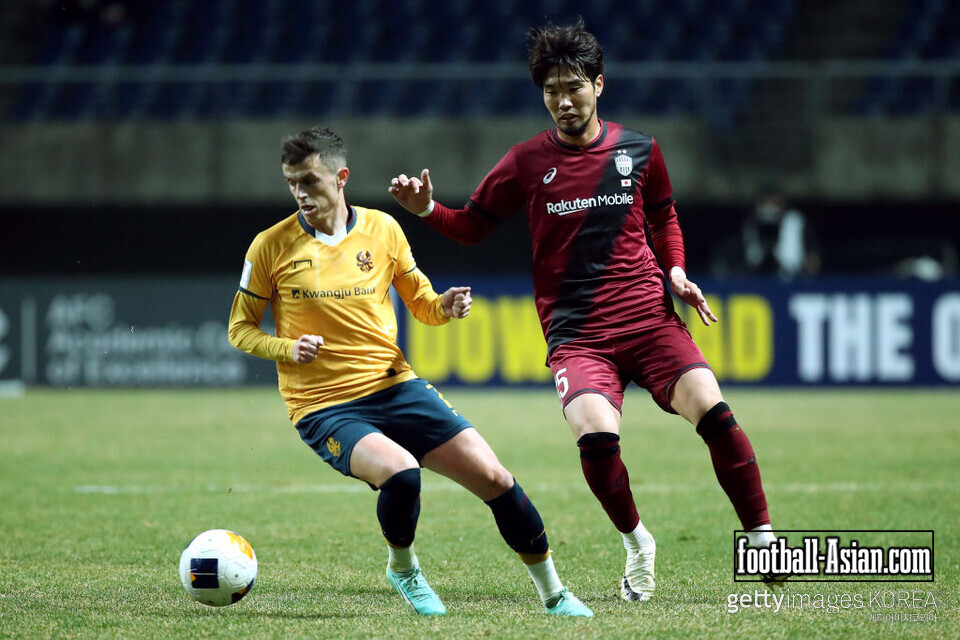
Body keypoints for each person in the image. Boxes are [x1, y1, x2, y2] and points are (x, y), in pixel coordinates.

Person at [389, 20, 785, 602]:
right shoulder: (526, 162)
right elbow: (471, 227)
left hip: (650, 318)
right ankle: (637, 545)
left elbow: (664, 218)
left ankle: (762, 538)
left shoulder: (640, 149)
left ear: (599, 85)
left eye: (574, 86)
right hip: (578, 335)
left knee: (717, 417)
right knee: (597, 441)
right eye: (552, 90)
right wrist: (428, 210)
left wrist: (675, 271)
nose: (563, 100)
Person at [228, 127, 592, 617]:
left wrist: (445, 305)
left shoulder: (383, 230)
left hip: (394, 385)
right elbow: (240, 330)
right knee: (401, 473)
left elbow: (422, 302)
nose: (299, 192)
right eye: (292, 182)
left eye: (310, 181)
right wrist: (287, 348)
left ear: (341, 178)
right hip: (324, 405)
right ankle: (403, 567)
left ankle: (553, 593)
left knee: (496, 477)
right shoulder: (269, 246)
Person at [742, 187, 820, 278]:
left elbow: (813, 249)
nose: (770, 207)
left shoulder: (795, 221)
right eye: (766, 203)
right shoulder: (751, 223)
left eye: (774, 203)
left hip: (795, 274)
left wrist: (812, 258)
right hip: (757, 275)